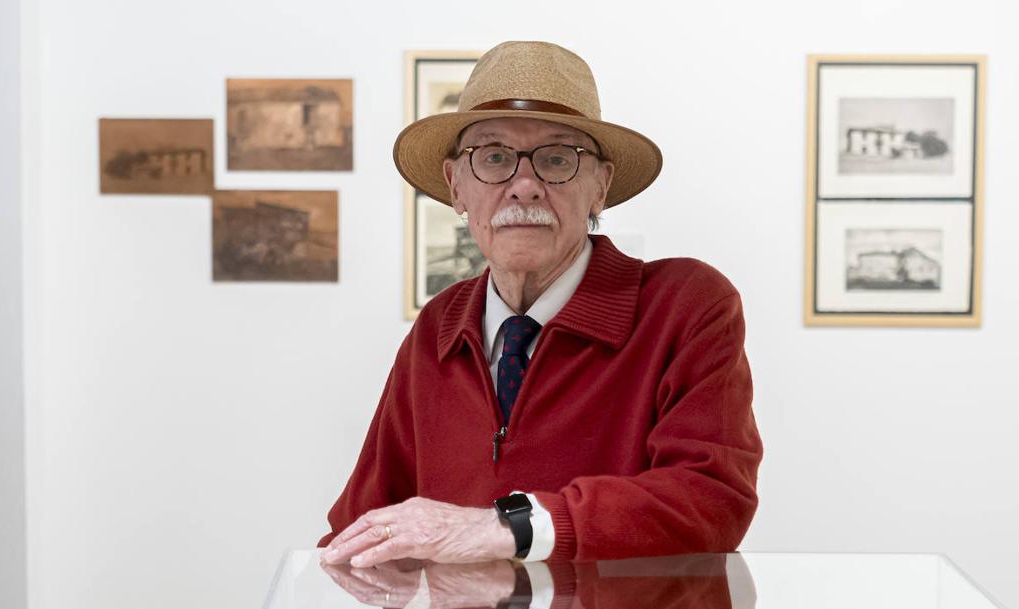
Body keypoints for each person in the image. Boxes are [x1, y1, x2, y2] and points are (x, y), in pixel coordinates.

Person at [319, 40, 761, 570]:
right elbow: (362, 523)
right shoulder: (439, 326)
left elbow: (710, 500)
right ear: (456, 187)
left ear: (601, 186)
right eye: (494, 158)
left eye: (557, 159)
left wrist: (509, 527)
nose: (524, 186)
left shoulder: (686, 304)